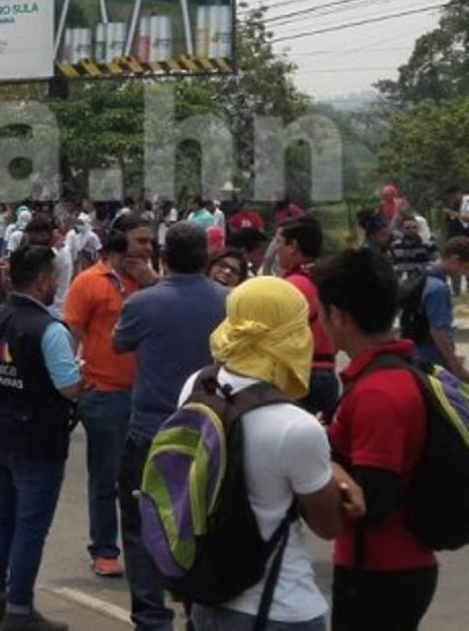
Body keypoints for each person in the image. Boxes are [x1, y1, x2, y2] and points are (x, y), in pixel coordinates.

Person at [183, 276, 362, 631]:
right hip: (278, 606)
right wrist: (335, 473)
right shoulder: (297, 427)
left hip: (208, 595)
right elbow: (328, 525)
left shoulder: (198, 384)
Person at [311, 249, 440, 631]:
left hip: (382, 570)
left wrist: (321, 456)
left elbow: (371, 501)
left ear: (338, 316)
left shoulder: (378, 393)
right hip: (388, 567)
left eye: (320, 313)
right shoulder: (390, 376)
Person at [109, 222, 227, 628]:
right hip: (211, 431)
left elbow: (118, 342)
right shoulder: (229, 302)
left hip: (151, 431)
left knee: (143, 524)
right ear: (206, 258)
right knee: (203, 524)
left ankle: (151, 616)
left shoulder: (142, 304)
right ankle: (198, 611)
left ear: (162, 256)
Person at [0, 245, 81, 631]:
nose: (56, 284)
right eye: (53, 277)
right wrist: (86, 379)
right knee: (30, 526)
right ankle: (19, 609)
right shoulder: (49, 330)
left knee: (1, 515)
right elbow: (69, 387)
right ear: (42, 280)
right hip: (36, 439)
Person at [63, 212, 156, 578]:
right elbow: (70, 334)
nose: (149, 249)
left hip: (149, 395)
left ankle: (150, 550)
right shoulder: (89, 283)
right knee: (107, 477)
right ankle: (104, 549)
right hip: (104, 395)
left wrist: (152, 282)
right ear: (118, 243)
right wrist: (70, 385)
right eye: (141, 242)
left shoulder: (151, 282)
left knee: (149, 479)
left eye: (151, 242)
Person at [276, 217, 341, 420]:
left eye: (279, 243)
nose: (276, 251)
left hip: (303, 378)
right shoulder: (327, 278)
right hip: (327, 374)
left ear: (293, 246)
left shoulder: (293, 285)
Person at [409, 236, 469, 379]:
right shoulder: (439, 288)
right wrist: (456, 367)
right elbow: (438, 332)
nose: (466, 273)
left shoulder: (423, 274)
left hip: (417, 354)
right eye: (466, 267)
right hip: (433, 360)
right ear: (454, 260)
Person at [23, 215, 73, 320]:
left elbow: (39, 259)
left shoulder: (56, 255)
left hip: (50, 311)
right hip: (59, 308)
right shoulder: (61, 250)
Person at [391, 215, 438, 280]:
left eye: (414, 227)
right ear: (402, 229)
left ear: (418, 228)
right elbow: (392, 264)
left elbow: (436, 264)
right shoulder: (395, 246)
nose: (411, 230)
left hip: (422, 282)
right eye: (407, 228)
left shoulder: (428, 245)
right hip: (401, 282)